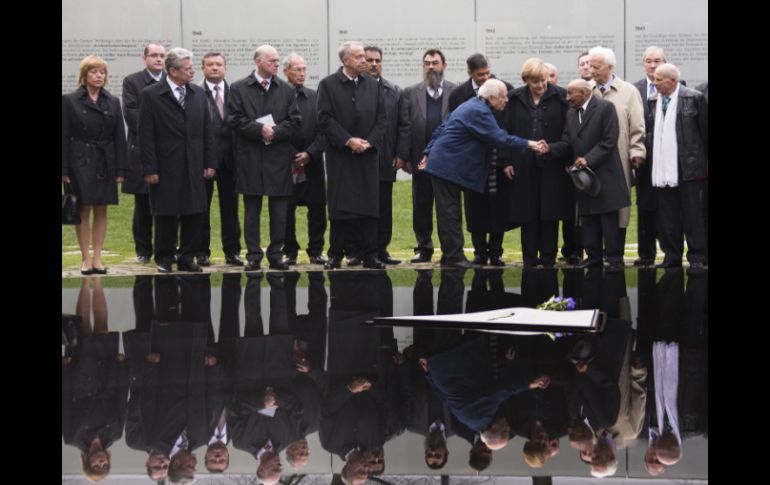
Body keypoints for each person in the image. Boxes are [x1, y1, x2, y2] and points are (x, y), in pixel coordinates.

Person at [420, 78, 545, 268]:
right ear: (492, 97)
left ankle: (450, 255)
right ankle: (454, 257)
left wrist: (428, 152)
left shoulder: (471, 105)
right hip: (446, 167)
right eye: (503, 97)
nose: (506, 100)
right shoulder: (478, 111)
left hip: (442, 165)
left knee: (448, 213)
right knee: (450, 213)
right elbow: (499, 138)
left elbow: (442, 127)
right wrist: (529, 143)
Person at [139, 47, 216, 273]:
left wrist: (209, 162)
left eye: (193, 67)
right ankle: (164, 256)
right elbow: (146, 134)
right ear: (172, 71)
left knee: (194, 211)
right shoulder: (152, 95)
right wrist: (150, 168)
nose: (193, 72)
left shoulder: (198, 94)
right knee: (166, 211)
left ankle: (187, 256)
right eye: (188, 68)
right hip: (165, 163)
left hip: (194, 162)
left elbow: (207, 130)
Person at [228, 45, 302, 271]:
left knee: (279, 211)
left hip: (277, 158)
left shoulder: (286, 90)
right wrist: (259, 130)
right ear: (259, 62)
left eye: (278, 61)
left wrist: (276, 131)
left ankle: (275, 254)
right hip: (250, 158)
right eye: (272, 61)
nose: (277, 64)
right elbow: (234, 118)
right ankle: (253, 255)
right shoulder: (239, 88)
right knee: (252, 211)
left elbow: (295, 120)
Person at [317, 41, 386, 269]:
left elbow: (381, 120)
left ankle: (370, 254)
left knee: (368, 206)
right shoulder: (328, 85)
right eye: (359, 57)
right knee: (341, 207)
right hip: (341, 156)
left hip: (367, 155)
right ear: (346, 60)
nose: (364, 61)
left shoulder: (373, 85)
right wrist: (348, 140)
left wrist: (368, 142)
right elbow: (324, 118)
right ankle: (336, 253)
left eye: (364, 57)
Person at [548, 79, 630, 270]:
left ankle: (614, 258)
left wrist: (588, 159)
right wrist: (549, 148)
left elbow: (609, 140)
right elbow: (568, 143)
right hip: (584, 177)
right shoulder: (571, 113)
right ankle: (593, 256)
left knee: (608, 217)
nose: (567, 98)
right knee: (588, 217)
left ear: (584, 93)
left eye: (571, 93)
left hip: (605, 173)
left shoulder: (605, 108)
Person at [503, 58, 571, 268]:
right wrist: (507, 161)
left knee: (550, 212)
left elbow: (569, 133)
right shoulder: (514, 98)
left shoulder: (561, 97)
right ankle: (530, 258)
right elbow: (505, 131)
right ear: (526, 80)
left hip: (553, 164)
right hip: (523, 163)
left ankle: (549, 258)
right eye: (535, 82)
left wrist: (552, 148)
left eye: (543, 81)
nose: (541, 85)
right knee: (527, 211)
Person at [62, 55, 127, 275]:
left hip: (105, 160)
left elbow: (120, 137)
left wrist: (120, 169)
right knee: (83, 208)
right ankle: (85, 258)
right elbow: (64, 135)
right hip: (80, 160)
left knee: (102, 209)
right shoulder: (69, 100)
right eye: (94, 72)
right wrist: (64, 169)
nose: (99, 76)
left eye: (102, 72)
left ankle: (98, 258)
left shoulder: (112, 101)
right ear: (84, 75)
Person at [449, 53, 515, 266]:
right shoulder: (459, 94)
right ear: (469, 73)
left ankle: (496, 251)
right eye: (480, 75)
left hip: (498, 156)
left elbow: (508, 126)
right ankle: (480, 251)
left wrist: (507, 159)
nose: (485, 78)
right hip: (473, 158)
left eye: (487, 72)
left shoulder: (505, 88)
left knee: (498, 205)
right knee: (475, 205)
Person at [62, 277, 128, 482]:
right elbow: (121, 401)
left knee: (82, 327)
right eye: (104, 465)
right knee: (102, 325)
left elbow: (65, 404)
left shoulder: (72, 437)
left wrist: (64, 371)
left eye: (96, 466)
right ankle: (97, 280)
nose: (101, 462)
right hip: (108, 377)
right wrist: (121, 367)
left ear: (88, 462)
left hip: (81, 379)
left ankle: (84, 282)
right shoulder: (115, 434)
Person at [589, 46, 646, 264]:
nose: (591, 70)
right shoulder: (586, 88)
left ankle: (615, 255)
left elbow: (637, 126)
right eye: (590, 65)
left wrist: (637, 151)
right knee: (591, 204)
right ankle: (593, 254)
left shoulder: (628, 91)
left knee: (618, 207)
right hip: (590, 160)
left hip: (618, 159)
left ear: (609, 67)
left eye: (596, 66)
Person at [647, 64, 707, 270]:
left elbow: (704, 134)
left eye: (658, 79)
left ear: (672, 81)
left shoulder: (694, 98)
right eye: (654, 79)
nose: (654, 83)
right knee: (667, 216)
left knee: (692, 215)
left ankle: (697, 256)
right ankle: (671, 256)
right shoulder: (653, 101)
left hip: (688, 167)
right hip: (663, 168)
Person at [402, 49, 457, 264]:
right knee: (421, 206)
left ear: (444, 65)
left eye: (435, 62)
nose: (431, 67)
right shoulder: (410, 92)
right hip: (419, 160)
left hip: (447, 160)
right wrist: (405, 156)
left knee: (447, 207)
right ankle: (423, 248)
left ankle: (449, 249)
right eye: (427, 63)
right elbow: (406, 126)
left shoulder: (456, 91)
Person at [360, 45, 410, 265]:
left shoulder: (394, 91)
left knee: (383, 206)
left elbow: (404, 125)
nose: (373, 64)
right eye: (369, 60)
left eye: (377, 60)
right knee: (359, 205)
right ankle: (357, 250)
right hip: (359, 160)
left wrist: (400, 154)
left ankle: (381, 249)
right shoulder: (355, 89)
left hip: (386, 158)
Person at [281, 52, 328, 266]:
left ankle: (316, 249)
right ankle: (289, 250)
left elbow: (324, 129)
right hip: (286, 163)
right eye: (297, 69)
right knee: (286, 208)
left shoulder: (315, 96)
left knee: (317, 206)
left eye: (304, 69)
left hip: (313, 160)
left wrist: (310, 153)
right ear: (286, 72)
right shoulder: (278, 96)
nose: (301, 74)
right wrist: (292, 154)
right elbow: (275, 127)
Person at [122, 42, 166, 264]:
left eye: (162, 56)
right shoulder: (133, 82)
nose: (159, 59)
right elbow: (131, 114)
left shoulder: (172, 79)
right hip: (142, 149)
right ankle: (143, 249)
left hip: (168, 152)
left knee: (169, 203)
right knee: (143, 204)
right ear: (144, 58)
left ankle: (165, 247)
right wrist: (162, 129)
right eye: (154, 55)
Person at [199, 51, 243, 267]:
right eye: (210, 65)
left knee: (230, 208)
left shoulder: (236, 92)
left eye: (218, 64)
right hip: (204, 161)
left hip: (231, 160)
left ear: (225, 68)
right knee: (200, 208)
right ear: (203, 68)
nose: (214, 68)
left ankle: (232, 251)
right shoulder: (195, 93)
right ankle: (201, 252)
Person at [633, 46, 668, 266]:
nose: (653, 65)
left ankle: (669, 250)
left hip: (667, 158)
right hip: (644, 156)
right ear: (643, 63)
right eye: (649, 61)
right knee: (644, 204)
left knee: (667, 206)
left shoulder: (677, 86)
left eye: (657, 61)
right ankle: (646, 253)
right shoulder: (634, 89)